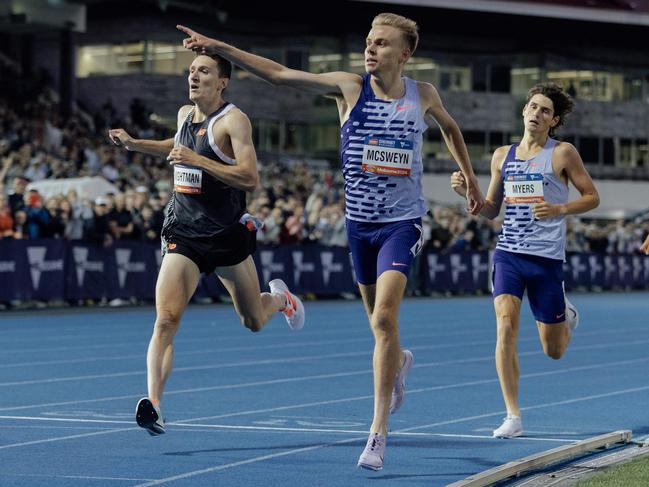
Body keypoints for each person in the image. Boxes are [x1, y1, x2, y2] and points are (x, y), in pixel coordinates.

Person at [176, 12, 485, 470]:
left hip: (404, 223)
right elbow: (279, 74)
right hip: (359, 227)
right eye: (368, 40)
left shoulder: (424, 95)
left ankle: (378, 432)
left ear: (405, 53)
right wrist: (219, 47)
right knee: (378, 328)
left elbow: (451, 128)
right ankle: (398, 360)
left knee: (384, 317)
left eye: (381, 43)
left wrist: (472, 182)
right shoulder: (349, 88)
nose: (371, 49)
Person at [108, 51, 305, 436]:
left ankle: (282, 300)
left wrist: (199, 161)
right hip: (183, 232)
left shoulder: (234, 120)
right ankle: (156, 405)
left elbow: (249, 178)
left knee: (252, 320)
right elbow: (174, 146)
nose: (193, 76)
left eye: (204, 71)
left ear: (222, 82)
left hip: (226, 235)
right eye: (192, 70)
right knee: (166, 319)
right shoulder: (184, 115)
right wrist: (134, 143)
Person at [451, 82, 600, 439]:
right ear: (524, 111)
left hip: (546, 259)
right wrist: (466, 194)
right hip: (509, 254)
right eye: (533, 107)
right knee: (505, 326)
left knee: (554, 351)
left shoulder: (562, 154)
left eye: (545, 110)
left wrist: (560, 208)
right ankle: (513, 415)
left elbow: (592, 197)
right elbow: (489, 210)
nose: (536, 113)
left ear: (554, 120)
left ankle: (568, 315)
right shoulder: (503, 155)